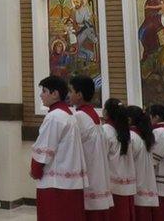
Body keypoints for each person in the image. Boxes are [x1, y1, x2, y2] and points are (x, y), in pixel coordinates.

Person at [31, 76, 86, 221]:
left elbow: (45, 147)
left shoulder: (54, 117)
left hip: (55, 183)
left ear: (55, 94)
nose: (41, 95)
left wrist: (35, 169)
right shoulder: (69, 114)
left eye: (44, 91)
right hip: (70, 180)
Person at [69, 76, 113, 219]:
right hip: (98, 170)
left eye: (71, 91)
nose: (68, 95)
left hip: (88, 171)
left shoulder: (79, 116)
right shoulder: (94, 114)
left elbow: (71, 147)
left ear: (79, 94)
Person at [102, 99, 136, 221]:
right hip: (125, 184)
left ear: (105, 112)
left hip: (111, 185)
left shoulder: (105, 130)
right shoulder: (125, 131)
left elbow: (100, 157)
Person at [125, 106, 160, 221]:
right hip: (146, 187)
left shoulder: (131, 137)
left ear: (129, 119)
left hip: (137, 188)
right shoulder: (144, 137)